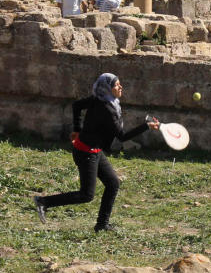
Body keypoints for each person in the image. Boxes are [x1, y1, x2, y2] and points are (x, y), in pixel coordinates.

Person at [33, 73, 159, 232]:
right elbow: (122, 136)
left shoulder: (100, 99)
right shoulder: (107, 109)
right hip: (85, 153)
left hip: (94, 150)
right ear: (108, 88)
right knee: (86, 195)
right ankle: (43, 202)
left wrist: (77, 130)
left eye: (120, 83)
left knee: (113, 183)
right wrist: (146, 126)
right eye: (116, 85)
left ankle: (102, 224)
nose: (121, 87)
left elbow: (76, 106)